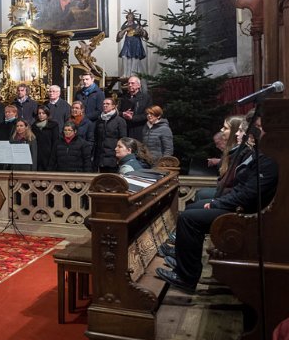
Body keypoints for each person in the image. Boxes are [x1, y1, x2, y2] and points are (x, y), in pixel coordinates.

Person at [157, 118, 278, 293]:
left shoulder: (267, 159)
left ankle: (186, 277)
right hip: (240, 207)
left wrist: (217, 203)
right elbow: (241, 188)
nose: (238, 134)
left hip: (246, 214)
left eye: (241, 131)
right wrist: (218, 202)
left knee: (188, 218)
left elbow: (247, 195)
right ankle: (184, 261)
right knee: (191, 211)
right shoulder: (260, 154)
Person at [93, 97, 127, 172]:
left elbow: (123, 140)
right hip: (100, 158)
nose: (105, 105)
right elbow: (96, 138)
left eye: (107, 104)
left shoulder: (119, 121)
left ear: (113, 106)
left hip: (113, 158)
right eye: (104, 104)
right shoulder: (99, 121)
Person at [118, 76, 151, 141]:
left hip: (139, 129)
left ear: (139, 85)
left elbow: (147, 114)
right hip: (126, 129)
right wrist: (123, 114)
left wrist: (133, 118)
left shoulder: (146, 98)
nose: (130, 85)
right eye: (129, 83)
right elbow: (118, 112)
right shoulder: (124, 98)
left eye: (132, 83)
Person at [116, 11, 149, 78]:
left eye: (131, 17)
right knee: (124, 56)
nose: (130, 19)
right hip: (128, 43)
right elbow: (119, 37)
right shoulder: (124, 26)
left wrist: (140, 30)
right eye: (128, 17)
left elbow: (144, 34)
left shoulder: (136, 25)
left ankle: (133, 73)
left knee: (135, 57)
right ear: (127, 18)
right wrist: (125, 30)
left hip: (136, 43)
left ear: (133, 18)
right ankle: (125, 74)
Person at [31, 105, 58, 171]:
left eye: (43, 113)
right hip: (37, 156)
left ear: (47, 114)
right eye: (39, 113)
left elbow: (55, 141)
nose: (41, 115)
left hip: (49, 155)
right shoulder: (34, 126)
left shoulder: (53, 125)